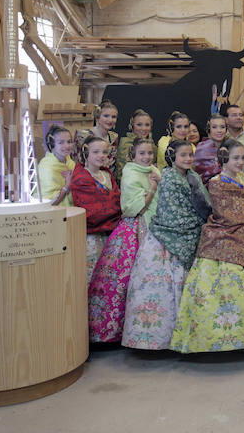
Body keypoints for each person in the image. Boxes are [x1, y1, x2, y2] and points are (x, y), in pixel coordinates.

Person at [172, 140, 244, 352]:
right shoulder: (216, 183)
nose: (240, 162)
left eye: (242, 158)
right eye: (235, 158)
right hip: (225, 229)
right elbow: (226, 213)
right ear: (224, 160)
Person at [123, 140, 212, 350]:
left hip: (191, 232)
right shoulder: (170, 178)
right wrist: (196, 223)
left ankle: (186, 336)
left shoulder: (192, 176)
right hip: (166, 237)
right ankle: (159, 338)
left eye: (190, 155)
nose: (188, 159)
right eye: (183, 155)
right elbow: (174, 211)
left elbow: (202, 204)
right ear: (173, 156)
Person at [87, 140, 151, 343]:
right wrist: (152, 190)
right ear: (133, 155)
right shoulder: (131, 174)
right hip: (134, 228)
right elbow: (134, 207)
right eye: (142, 153)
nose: (147, 157)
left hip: (150, 224)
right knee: (124, 278)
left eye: (150, 153)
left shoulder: (153, 171)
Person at [70, 136, 122, 283]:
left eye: (104, 152)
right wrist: (115, 204)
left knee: (109, 277)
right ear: (86, 153)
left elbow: (116, 201)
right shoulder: (81, 177)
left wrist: (112, 202)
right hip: (91, 237)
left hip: (111, 234)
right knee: (92, 277)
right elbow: (92, 211)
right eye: (96, 152)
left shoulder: (107, 174)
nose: (101, 156)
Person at [38, 125, 75, 207]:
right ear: (51, 145)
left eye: (69, 142)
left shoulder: (70, 163)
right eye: (61, 142)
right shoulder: (47, 167)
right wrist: (68, 185)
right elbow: (50, 203)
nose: (67, 146)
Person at [115, 109, 154, 181]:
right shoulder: (126, 143)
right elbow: (122, 171)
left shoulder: (151, 143)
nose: (144, 128)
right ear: (132, 126)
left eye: (147, 125)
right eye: (139, 125)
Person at [222, 102, 244, 176]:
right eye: (234, 115)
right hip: (224, 183)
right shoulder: (220, 138)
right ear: (226, 120)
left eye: (241, 115)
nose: (239, 117)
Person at [193, 114, 228, 185]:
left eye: (222, 127)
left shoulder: (230, 145)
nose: (219, 130)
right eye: (214, 127)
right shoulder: (202, 149)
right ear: (209, 129)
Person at [91, 100, 120, 180]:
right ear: (98, 116)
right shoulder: (85, 136)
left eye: (113, 117)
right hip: (89, 181)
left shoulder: (114, 137)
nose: (110, 120)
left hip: (109, 181)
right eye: (106, 116)